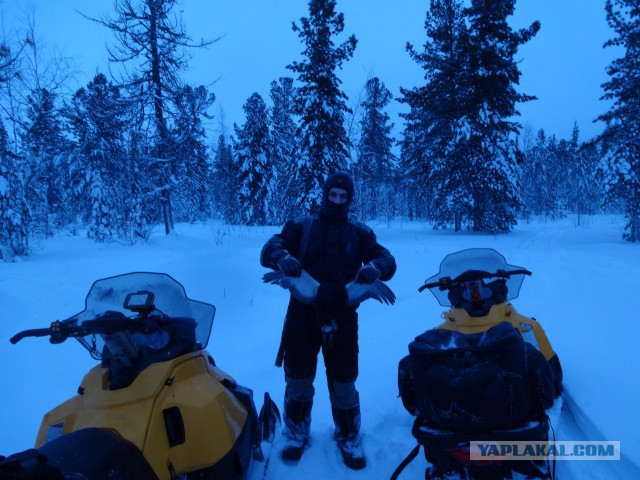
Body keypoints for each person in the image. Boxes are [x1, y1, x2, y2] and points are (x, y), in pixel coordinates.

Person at [260, 172, 396, 470]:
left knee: (344, 379)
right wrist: (281, 257)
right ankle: (296, 433)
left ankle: (348, 436)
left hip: (343, 316)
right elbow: (270, 247)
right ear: (325, 195)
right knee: (297, 378)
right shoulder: (301, 225)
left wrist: (375, 268)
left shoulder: (360, 233)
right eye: (332, 195)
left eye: (343, 197)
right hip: (302, 316)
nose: (337, 201)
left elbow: (388, 260)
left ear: (349, 200)